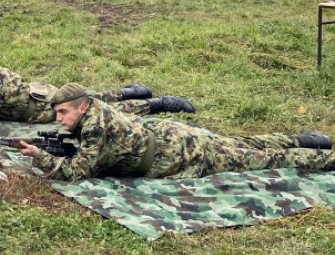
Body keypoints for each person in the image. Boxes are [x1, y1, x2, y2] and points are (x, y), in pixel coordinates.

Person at [21, 83, 335, 180]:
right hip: (173, 136)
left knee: (261, 160)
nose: (58, 119)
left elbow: (78, 173)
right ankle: (308, 139)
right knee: (242, 143)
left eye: (63, 113)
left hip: (181, 154)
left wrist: (40, 157)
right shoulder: (96, 109)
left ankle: (324, 157)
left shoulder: (94, 129)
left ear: (82, 108)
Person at [0, 41, 196, 124]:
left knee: (96, 110)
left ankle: (156, 104)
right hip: (39, 94)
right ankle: (130, 91)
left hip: (44, 109)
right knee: (90, 96)